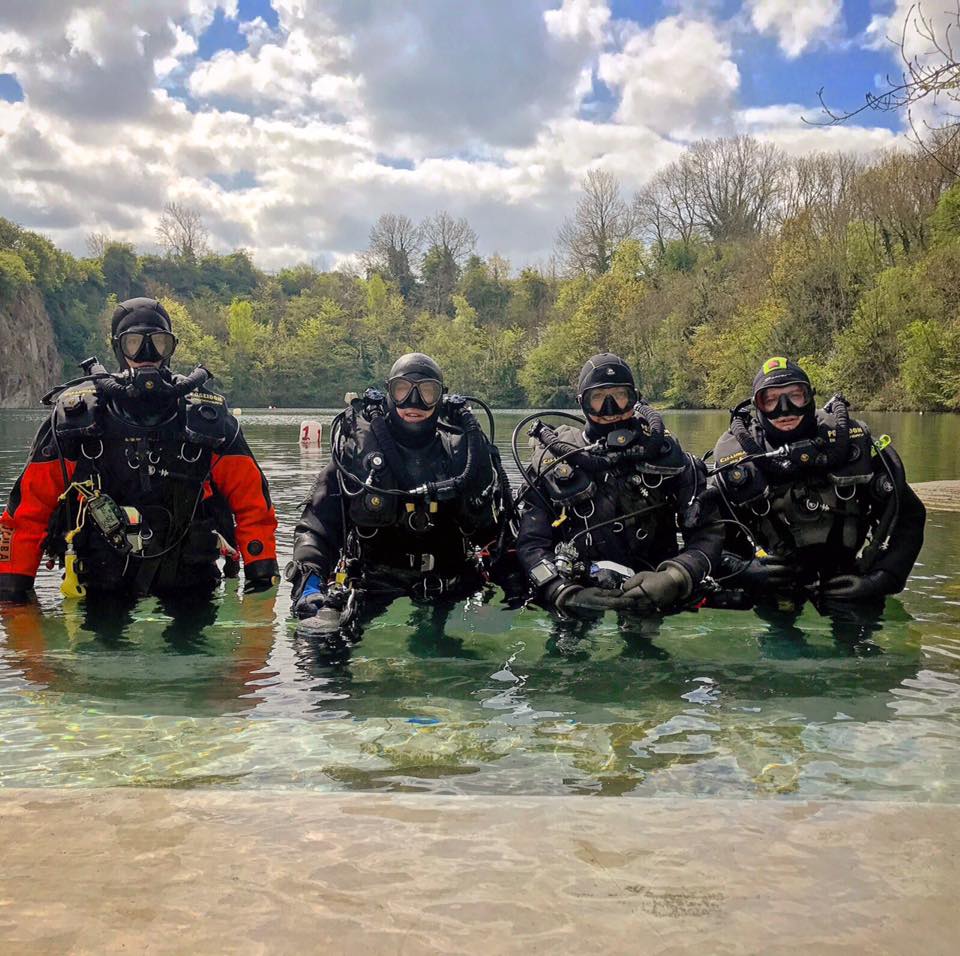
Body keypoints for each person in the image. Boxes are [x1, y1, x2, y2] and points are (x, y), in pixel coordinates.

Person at [0, 297, 278, 603]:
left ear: (171, 348)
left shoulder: (207, 419)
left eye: (158, 343)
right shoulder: (76, 419)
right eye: (134, 344)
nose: (147, 355)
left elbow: (253, 507)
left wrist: (261, 580)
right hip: (99, 584)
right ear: (118, 348)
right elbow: (27, 515)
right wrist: (14, 597)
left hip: (191, 584)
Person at [289, 353, 513, 637]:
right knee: (318, 642)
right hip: (373, 580)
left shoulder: (463, 454)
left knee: (454, 653)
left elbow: (497, 534)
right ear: (389, 393)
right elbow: (317, 528)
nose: (413, 402)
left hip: (451, 582)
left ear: (440, 397)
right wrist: (310, 586)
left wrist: (515, 586)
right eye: (402, 390)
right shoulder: (360, 451)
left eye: (427, 392)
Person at [709, 357, 925, 614]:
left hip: (851, 576)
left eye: (795, 396)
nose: (784, 409)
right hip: (774, 581)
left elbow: (909, 516)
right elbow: (707, 536)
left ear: (809, 397)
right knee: (779, 631)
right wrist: (743, 571)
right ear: (757, 406)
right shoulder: (740, 460)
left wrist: (884, 578)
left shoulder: (849, 444)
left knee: (858, 628)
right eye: (771, 400)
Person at [516, 353, 723, 620]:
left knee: (644, 638)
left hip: (656, 587)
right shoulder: (553, 463)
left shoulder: (668, 456)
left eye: (619, 395)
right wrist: (560, 591)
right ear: (582, 403)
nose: (610, 407)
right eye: (598, 397)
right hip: (578, 585)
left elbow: (708, 532)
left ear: (635, 398)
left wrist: (676, 576)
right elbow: (530, 544)